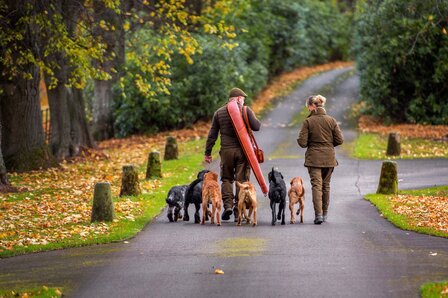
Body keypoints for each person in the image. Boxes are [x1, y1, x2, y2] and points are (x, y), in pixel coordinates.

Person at [204, 87, 261, 221]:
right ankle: (237, 212)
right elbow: (257, 126)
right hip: (243, 152)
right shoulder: (245, 110)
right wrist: (248, 114)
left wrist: (208, 152)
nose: (244, 101)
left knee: (227, 179)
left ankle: (228, 206)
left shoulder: (219, 113)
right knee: (241, 181)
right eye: (243, 99)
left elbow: (212, 134)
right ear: (239, 99)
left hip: (226, 152)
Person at [297, 95, 343, 224]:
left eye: (308, 107)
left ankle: (318, 215)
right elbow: (340, 140)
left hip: (314, 158)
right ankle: (325, 214)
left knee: (316, 186)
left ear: (312, 106)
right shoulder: (332, 120)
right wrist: (328, 146)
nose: (308, 110)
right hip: (329, 158)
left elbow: (302, 143)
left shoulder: (308, 122)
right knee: (326, 186)